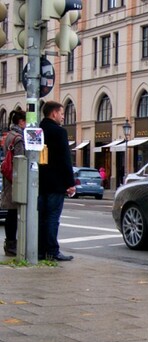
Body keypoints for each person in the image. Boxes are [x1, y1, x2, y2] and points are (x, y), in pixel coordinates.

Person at [38, 101, 76, 261]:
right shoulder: (59, 132)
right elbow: (65, 159)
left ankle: (40, 250)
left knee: (41, 217)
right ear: (53, 113)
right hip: (56, 184)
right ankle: (52, 251)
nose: (63, 117)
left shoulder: (37, 131)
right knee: (53, 217)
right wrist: (70, 183)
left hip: (39, 183)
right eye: (61, 113)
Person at [1, 109, 27, 256]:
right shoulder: (18, 138)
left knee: (11, 213)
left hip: (8, 177)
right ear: (21, 122)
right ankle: (11, 244)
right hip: (15, 179)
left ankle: (9, 243)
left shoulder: (9, 135)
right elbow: (20, 160)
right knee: (13, 213)